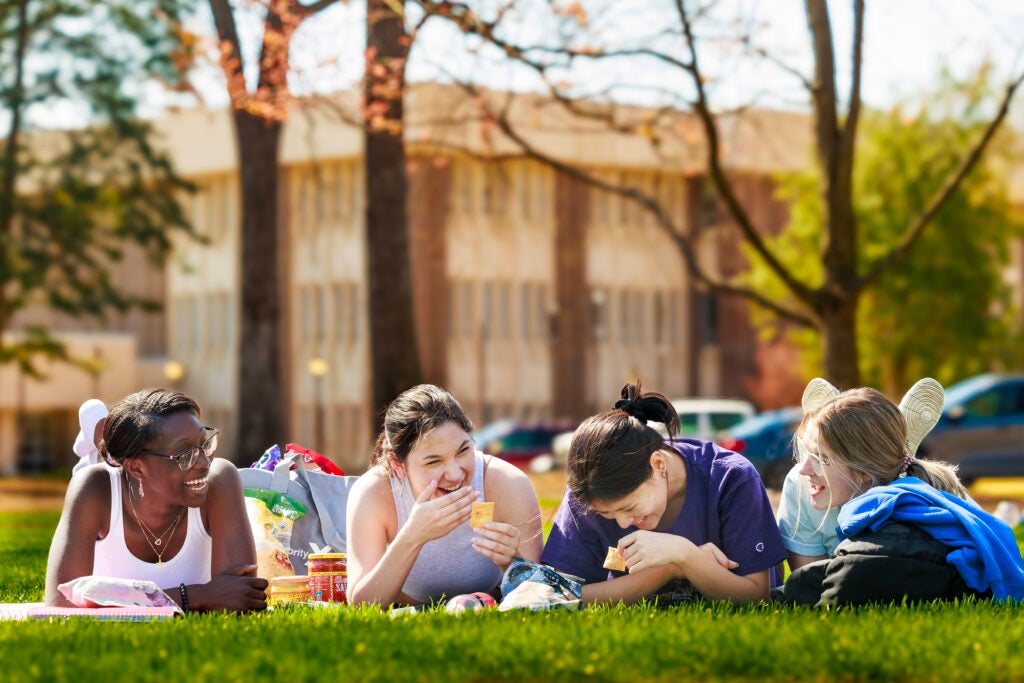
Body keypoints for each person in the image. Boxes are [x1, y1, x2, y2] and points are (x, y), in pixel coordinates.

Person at [779, 378, 1024, 606]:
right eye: (806, 453)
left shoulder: (932, 497)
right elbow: (808, 587)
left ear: (863, 470)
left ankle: (1006, 513)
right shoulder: (802, 485)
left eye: (822, 458)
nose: (804, 469)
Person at [541, 383, 786, 605]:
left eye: (628, 507)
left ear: (658, 465)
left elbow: (756, 597)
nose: (623, 523)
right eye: (606, 513)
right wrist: (670, 567)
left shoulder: (730, 478)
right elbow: (557, 596)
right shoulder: (588, 493)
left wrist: (684, 553)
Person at [44, 388, 268, 612]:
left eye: (205, 443)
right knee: (91, 470)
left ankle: (100, 439)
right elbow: (62, 602)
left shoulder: (218, 479)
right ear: (136, 467)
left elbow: (241, 598)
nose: (203, 462)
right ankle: (93, 451)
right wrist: (199, 595)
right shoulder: (95, 487)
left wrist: (111, 598)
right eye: (184, 454)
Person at [346, 384, 543, 606]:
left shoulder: (505, 482)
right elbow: (362, 604)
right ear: (398, 464)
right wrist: (412, 536)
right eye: (433, 461)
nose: (456, 473)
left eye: (463, 450)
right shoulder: (374, 492)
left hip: (488, 604)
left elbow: (538, 592)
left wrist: (512, 564)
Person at [71, 398, 109, 476]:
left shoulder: (122, 449)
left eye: (105, 425)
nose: (103, 434)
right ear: (88, 433)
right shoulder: (84, 465)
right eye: (96, 428)